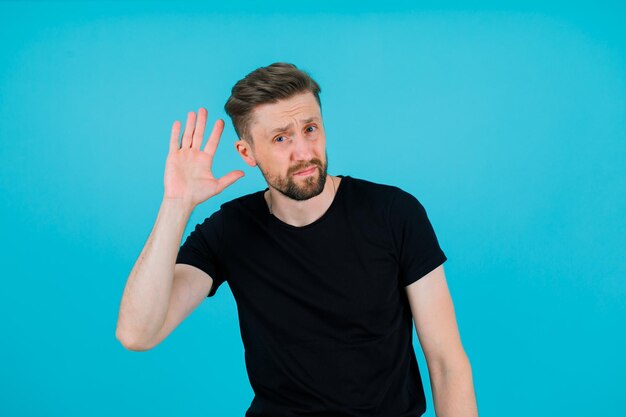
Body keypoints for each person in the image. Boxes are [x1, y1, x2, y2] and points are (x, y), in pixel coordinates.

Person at [116, 62, 478, 417]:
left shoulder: (394, 213)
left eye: (310, 129)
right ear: (248, 153)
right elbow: (137, 333)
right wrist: (176, 205)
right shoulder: (230, 229)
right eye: (280, 138)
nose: (304, 152)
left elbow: (447, 363)